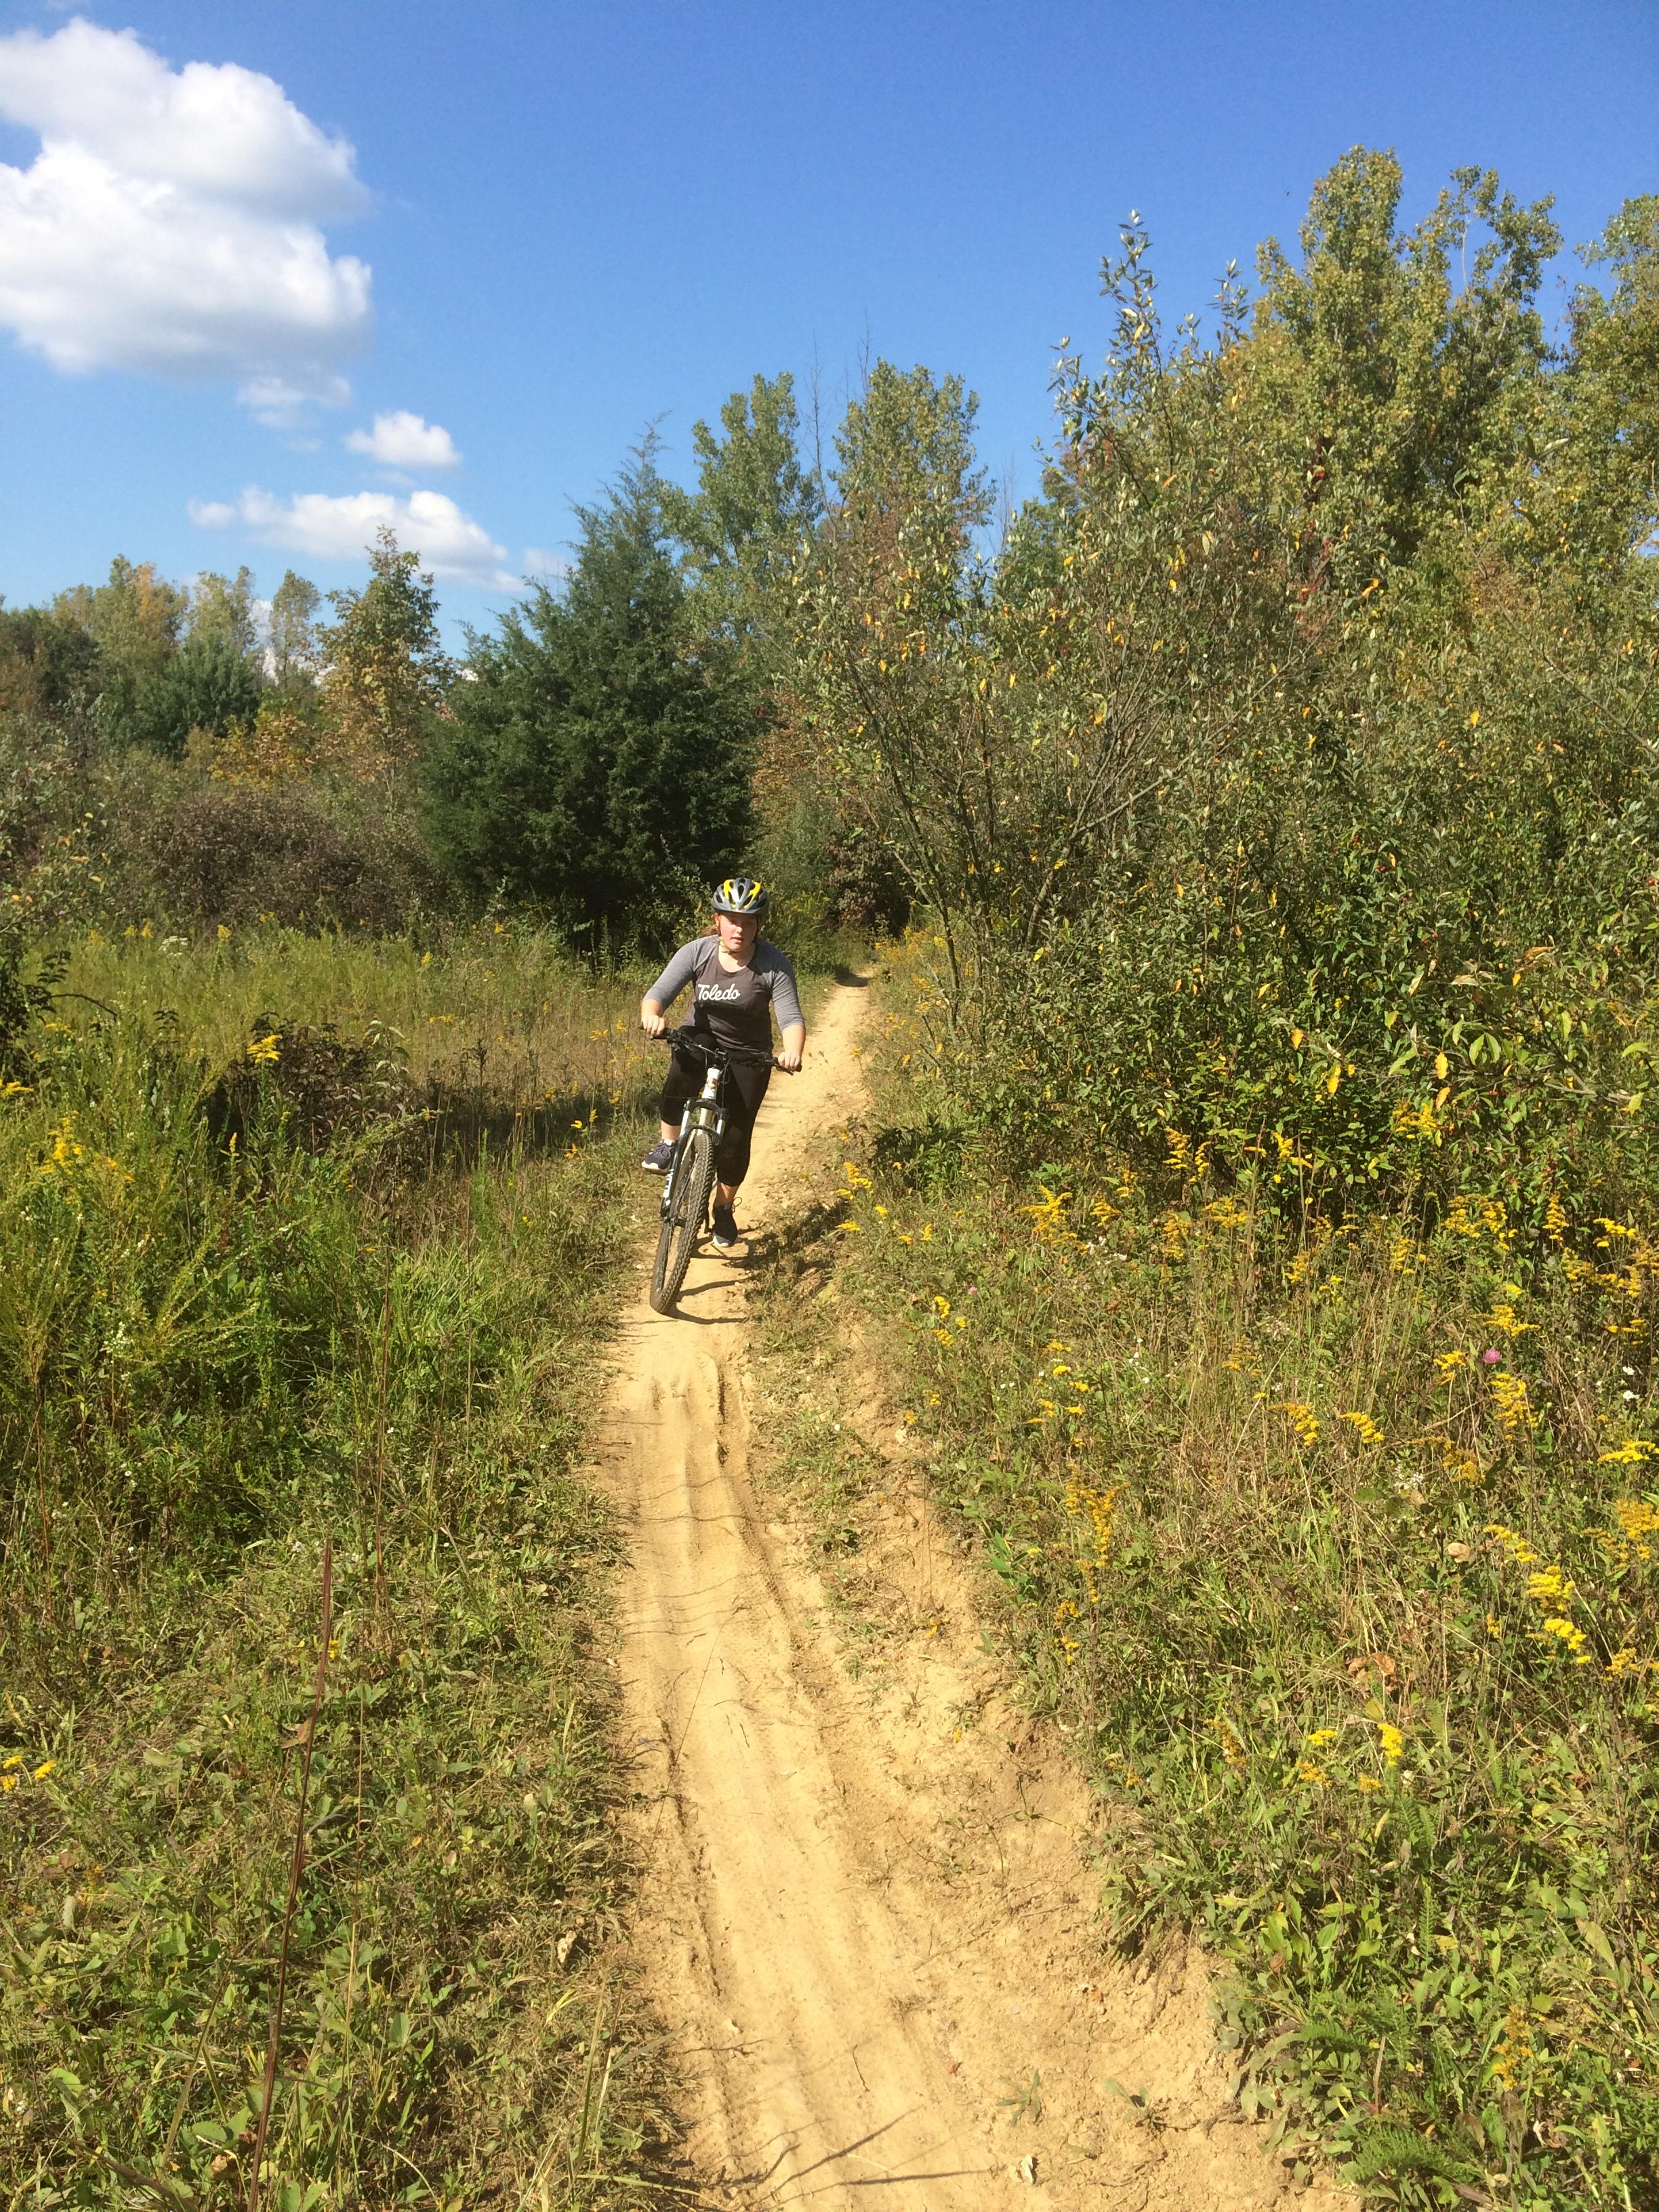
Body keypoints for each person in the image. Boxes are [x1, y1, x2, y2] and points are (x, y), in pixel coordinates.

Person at [639, 877, 805, 1250]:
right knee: (684, 1066)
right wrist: (653, 1016)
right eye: (732, 919)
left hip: (749, 1051)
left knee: (735, 1140)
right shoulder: (697, 953)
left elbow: (791, 1017)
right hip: (704, 1036)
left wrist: (792, 1051)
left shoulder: (772, 964)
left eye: (748, 922)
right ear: (717, 920)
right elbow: (658, 995)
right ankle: (668, 1146)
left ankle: (724, 1208)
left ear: (760, 925)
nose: (739, 929)